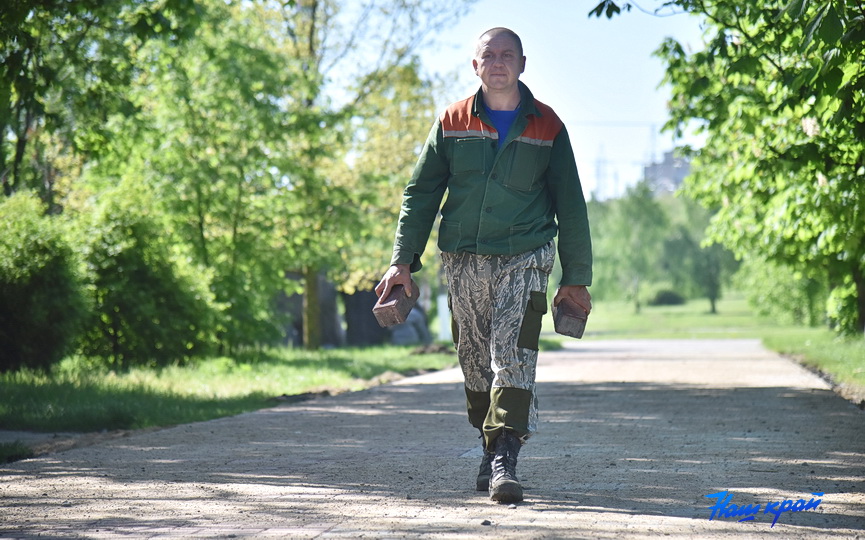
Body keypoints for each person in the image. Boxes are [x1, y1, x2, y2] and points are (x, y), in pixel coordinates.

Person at [375, 27, 592, 504]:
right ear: (475, 66)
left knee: (512, 353)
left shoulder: (547, 126)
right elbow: (421, 193)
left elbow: (570, 204)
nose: (498, 62)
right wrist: (402, 262)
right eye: (488, 55)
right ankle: (491, 443)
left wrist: (576, 279)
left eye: (507, 55)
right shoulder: (452, 121)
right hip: (463, 259)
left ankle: (504, 461)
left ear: (522, 64)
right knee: (475, 363)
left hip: (526, 256)